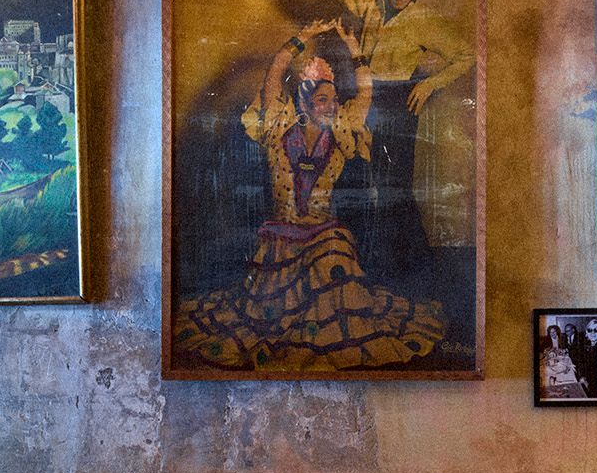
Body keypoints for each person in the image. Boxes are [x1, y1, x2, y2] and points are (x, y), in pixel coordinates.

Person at [171, 20, 444, 372]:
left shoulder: (341, 132)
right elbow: (273, 78)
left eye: (333, 100)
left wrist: (354, 48)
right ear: (304, 102)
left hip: (323, 232)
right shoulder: (280, 126)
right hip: (281, 234)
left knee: (335, 253)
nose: (330, 106)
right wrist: (302, 39)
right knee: (272, 309)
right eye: (322, 100)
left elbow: (365, 95)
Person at [316, 0, 474, 295]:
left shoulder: (424, 19)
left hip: (398, 104)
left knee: (394, 187)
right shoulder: (369, 5)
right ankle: (363, 266)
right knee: (361, 179)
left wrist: (429, 84)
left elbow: (466, 55)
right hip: (364, 101)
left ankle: (414, 274)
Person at [572, 315, 597, 399]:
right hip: (587, 382)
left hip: (595, 389)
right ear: (586, 332)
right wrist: (581, 375)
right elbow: (581, 361)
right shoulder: (587, 345)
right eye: (590, 330)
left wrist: (587, 384)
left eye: (596, 330)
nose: (592, 333)